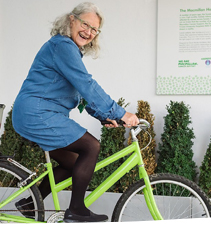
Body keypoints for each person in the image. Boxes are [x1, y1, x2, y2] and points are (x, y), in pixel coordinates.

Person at [12, 2, 139, 223]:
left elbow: (80, 93)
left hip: (37, 114)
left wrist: (104, 115)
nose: (88, 32)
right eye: (85, 24)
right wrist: (120, 113)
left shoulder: (66, 50)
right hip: (38, 114)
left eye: (94, 29)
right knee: (91, 146)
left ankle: (30, 204)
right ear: (71, 20)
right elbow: (86, 84)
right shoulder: (62, 46)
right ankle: (77, 210)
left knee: (72, 162)